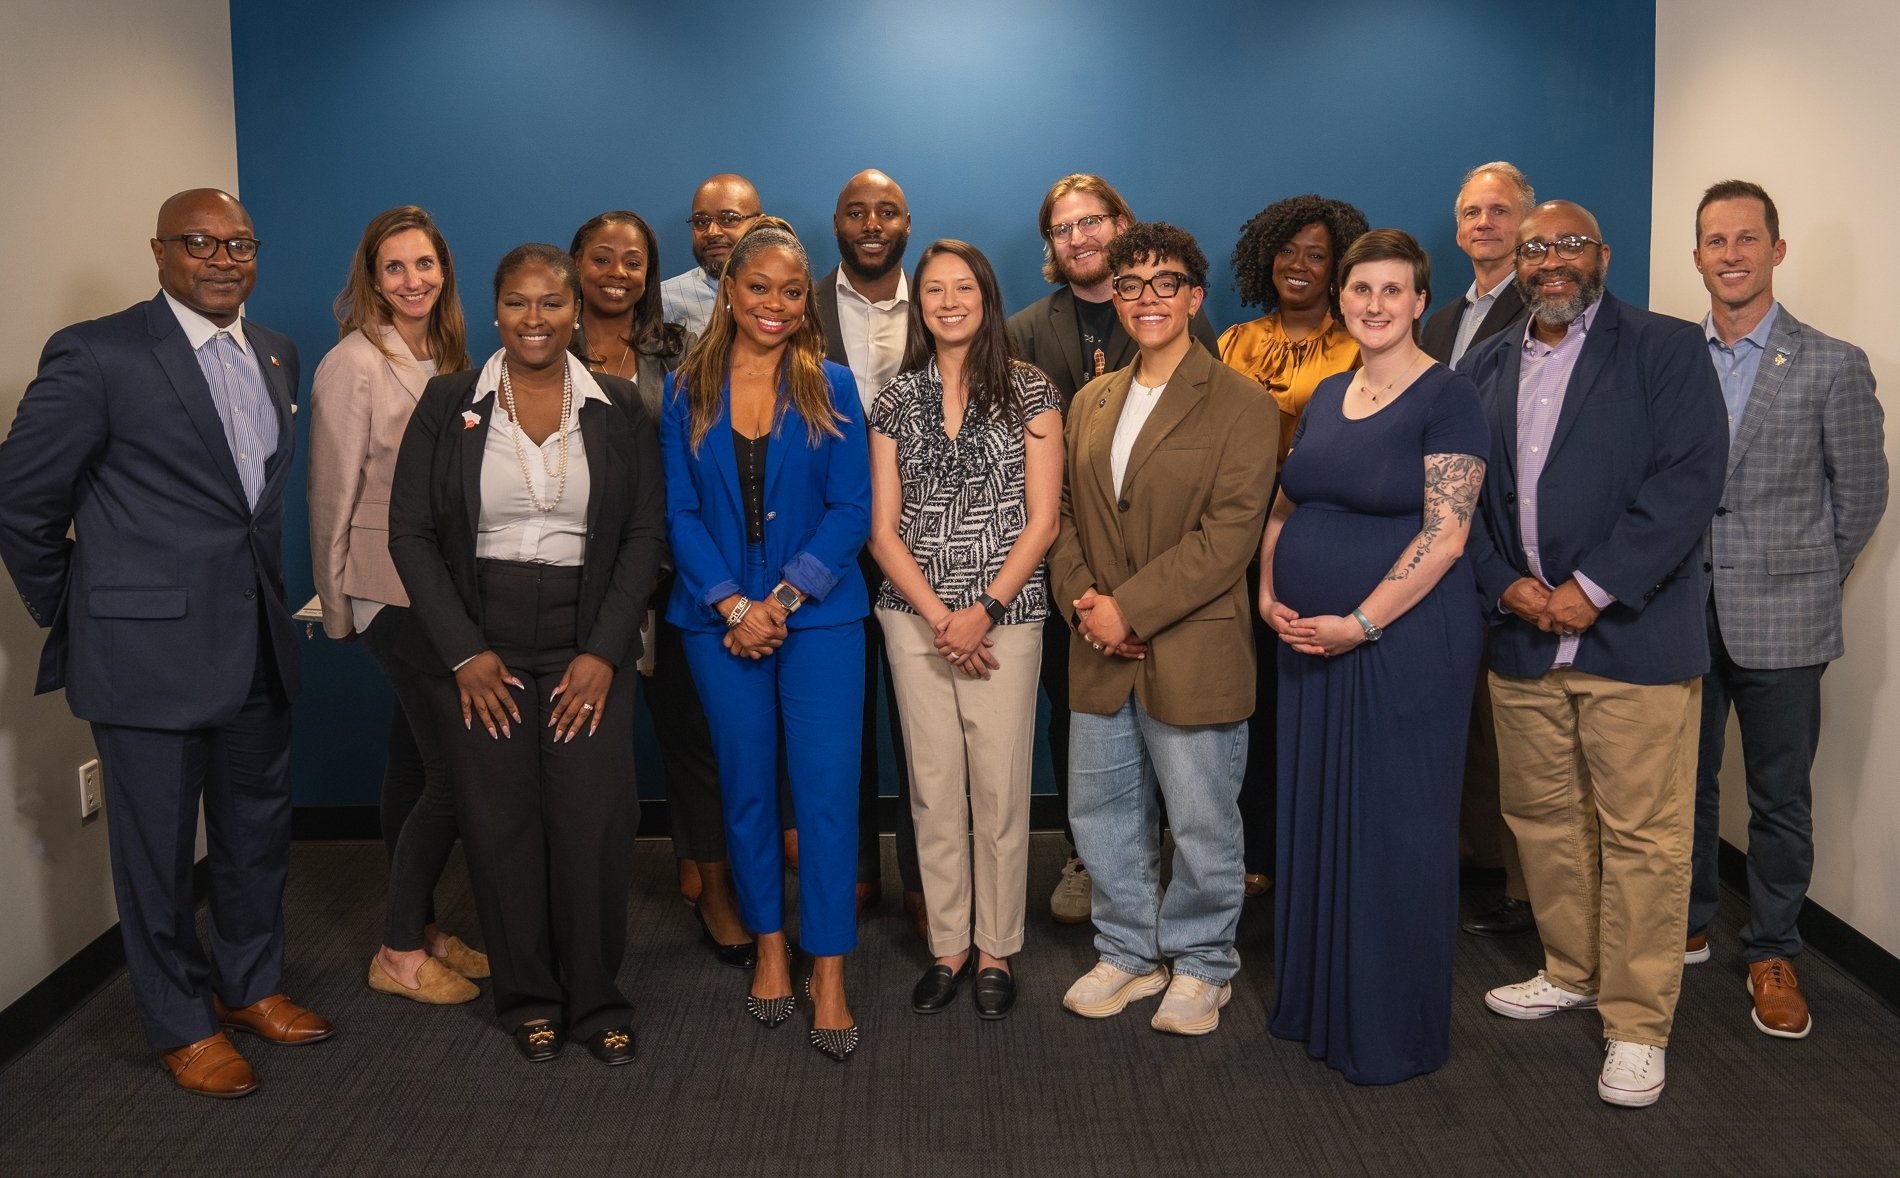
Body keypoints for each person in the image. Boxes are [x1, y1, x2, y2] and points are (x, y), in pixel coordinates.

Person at [0, 188, 330, 1098]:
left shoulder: (276, 353)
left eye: (240, 243)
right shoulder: (99, 352)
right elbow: (21, 501)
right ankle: (180, 1023)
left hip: (256, 644)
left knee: (256, 834)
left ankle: (250, 985)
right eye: (200, 242)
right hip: (143, 661)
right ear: (159, 251)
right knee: (153, 854)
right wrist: (81, 608)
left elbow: (248, 507)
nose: (224, 258)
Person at [1468, 201, 1726, 1108]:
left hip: (1632, 637)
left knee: (1646, 839)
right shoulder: (1489, 360)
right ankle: (1571, 969)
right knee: (1542, 820)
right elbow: (1466, 502)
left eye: (1568, 245)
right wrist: (1508, 584)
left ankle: (1637, 1024)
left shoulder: (1661, 348)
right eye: (1536, 249)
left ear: (1601, 256)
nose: (1551, 263)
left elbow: (1690, 480)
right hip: (1524, 638)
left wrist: (1594, 587)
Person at [387, 243, 664, 1066]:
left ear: (576, 309)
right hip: (483, 637)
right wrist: (464, 652)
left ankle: (595, 998)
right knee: (501, 824)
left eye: (551, 303)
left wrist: (607, 653)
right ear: (495, 310)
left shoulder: (616, 404)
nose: (534, 320)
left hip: (588, 634)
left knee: (593, 823)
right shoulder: (448, 403)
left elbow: (646, 535)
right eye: (517, 303)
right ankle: (530, 997)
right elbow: (408, 533)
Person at [1262, 229, 1490, 1083]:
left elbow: (1446, 536)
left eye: (1393, 291)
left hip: (1402, 644)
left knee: (1394, 827)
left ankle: (1389, 1027)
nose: (1374, 304)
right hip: (1307, 641)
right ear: (1342, 297)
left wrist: (1360, 620)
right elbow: (1285, 507)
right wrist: (1266, 589)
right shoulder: (1325, 393)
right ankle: (1318, 1000)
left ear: (1420, 303)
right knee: (1319, 817)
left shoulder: (1450, 396)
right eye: (1361, 289)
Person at [1050, 222, 1276, 1037]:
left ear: (1194, 296)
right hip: (1100, 646)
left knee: (1204, 821)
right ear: (1114, 293)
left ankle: (1205, 963)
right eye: (1132, 283)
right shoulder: (1091, 400)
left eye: (1166, 282)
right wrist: (1089, 606)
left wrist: (1129, 611)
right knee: (1103, 813)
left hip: (1192, 646)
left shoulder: (1242, 403)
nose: (1148, 298)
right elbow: (1068, 519)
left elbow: (1229, 536)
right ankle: (1128, 952)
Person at [661, 217, 872, 1061]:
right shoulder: (687, 386)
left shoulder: (835, 385)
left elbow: (852, 509)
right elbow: (676, 512)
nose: (776, 305)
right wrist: (729, 606)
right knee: (745, 789)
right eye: (759, 289)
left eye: (791, 291)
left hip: (819, 621)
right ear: (728, 292)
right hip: (718, 627)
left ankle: (829, 969)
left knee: (824, 794)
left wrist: (778, 600)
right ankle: (771, 949)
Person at [1684, 180, 1887, 1037]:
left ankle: (1772, 948)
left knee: (1779, 799)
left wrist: (1805, 576)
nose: (1730, 254)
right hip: (1681, 612)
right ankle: (1686, 919)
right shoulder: (1670, 360)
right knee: (1680, 788)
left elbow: (1863, 497)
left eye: (1746, 238)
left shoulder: (1832, 363)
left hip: (1786, 621)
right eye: (1715, 241)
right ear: (1697, 256)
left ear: (1777, 248)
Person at [1005, 173, 1220, 925]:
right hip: (1077, 571)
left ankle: (1178, 896)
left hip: (1173, 575)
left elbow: (1215, 490)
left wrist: (1139, 603)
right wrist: (1092, 599)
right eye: (1063, 229)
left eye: (1092, 221)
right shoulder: (1027, 330)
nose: (1080, 238)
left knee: (1185, 750)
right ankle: (1088, 861)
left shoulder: (1193, 336)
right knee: (1085, 729)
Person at [868, 240, 1063, 1020]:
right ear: (920, 305)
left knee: (1000, 787)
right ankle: (948, 947)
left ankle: (996, 949)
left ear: (985, 296)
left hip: (1006, 617)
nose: (948, 301)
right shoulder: (893, 397)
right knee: (933, 788)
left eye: (963, 288)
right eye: (934, 290)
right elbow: (883, 530)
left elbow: (1044, 520)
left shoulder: (1032, 391)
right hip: (913, 616)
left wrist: (981, 609)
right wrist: (941, 617)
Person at [308, 205, 487, 1005]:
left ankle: (415, 920)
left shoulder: (448, 353)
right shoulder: (353, 364)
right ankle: (398, 953)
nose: (411, 280)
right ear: (371, 279)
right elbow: (329, 494)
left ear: (443, 272)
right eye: (394, 268)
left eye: (424, 265)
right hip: (386, 591)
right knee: (454, 772)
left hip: (441, 586)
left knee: (411, 764)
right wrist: (340, 607)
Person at [569, 211, 751, 968]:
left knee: (695, 740)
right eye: (603, 258)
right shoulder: (543, 345)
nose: (618, 273)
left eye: (634, 262)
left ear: (651, 273)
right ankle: (576, 909)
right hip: (572, 580)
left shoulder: (675, 349)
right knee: (583, 755)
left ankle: (714, 891)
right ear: (577, 263)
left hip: (668, 573)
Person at [1219, 193, 1369, 900]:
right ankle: (1252, 853)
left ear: (1339, 267)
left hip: (1320, 541)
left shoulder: (1361, 342)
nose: (1299, 264)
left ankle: (1313, 854)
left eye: (1317, 253)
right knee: (1248, 703)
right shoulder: (1234, 343)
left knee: (1306, 696)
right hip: (1233, 543)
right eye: (1288, 249)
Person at [1419, 162, 1537, 940]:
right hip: (1438, 548)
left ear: (1526, 221)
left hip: (1514, 543)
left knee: (1519, 731)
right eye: (1470, 212)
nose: (1483, 223)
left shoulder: (1551, 307)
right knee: (1455, 716)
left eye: (1499, 210)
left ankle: (1527, 895)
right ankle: (1468, 867)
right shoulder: (1439, 319)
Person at [809, 168, 925, 933]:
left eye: (887, 211)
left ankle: (925, 877)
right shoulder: (802, 307)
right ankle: (851, 870)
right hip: (832, 537)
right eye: (858, 212)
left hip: (925, 542)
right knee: (838, 722)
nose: (873, 223)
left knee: (921, 721)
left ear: (907, 223)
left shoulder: (952, 302)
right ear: (837, 223)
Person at [659, 174, 762, 336]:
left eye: (728, 218)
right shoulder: (664, 301)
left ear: (758, 224)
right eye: (701, 221)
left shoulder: (788, 296)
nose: (712, 232)